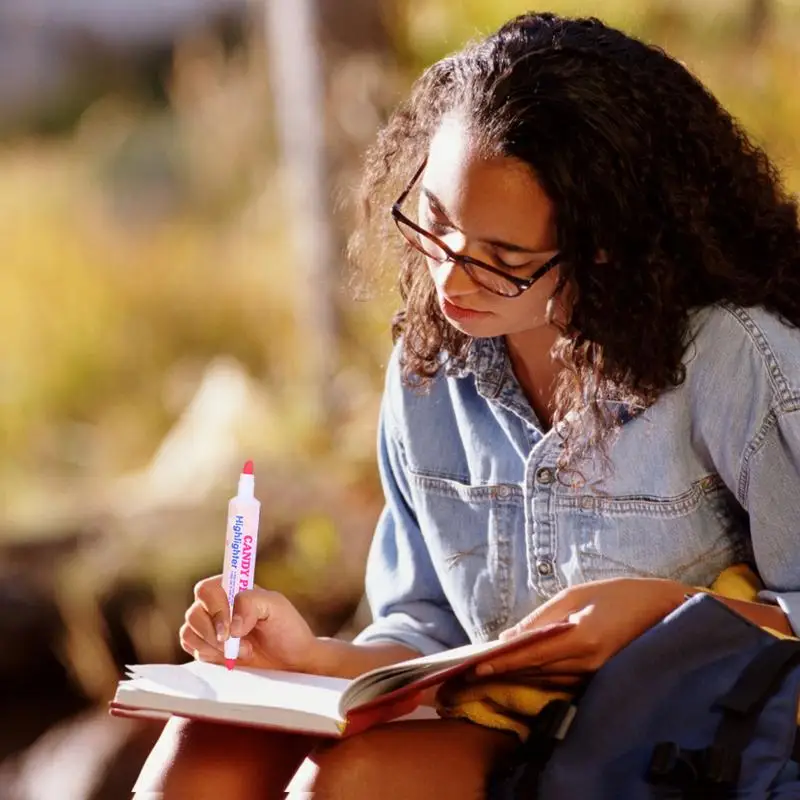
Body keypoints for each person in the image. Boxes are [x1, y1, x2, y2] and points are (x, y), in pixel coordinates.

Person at [133, 11, 800, 799]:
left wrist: (660, 614)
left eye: (503, 259)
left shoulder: (734, 357)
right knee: (204, 752)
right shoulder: (431, 365)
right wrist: (311, 655)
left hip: (674, 737)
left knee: (350, 784)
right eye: (439, 228)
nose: (450, 282)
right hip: (502, 723)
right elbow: (425, 634)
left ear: (609, 244)